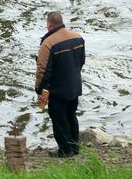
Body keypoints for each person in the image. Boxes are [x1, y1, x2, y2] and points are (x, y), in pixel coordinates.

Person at [35, 11, 85, 158]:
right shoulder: (78, 37)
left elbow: (42, 70)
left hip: (57, 90)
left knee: (59, 119)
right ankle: (75, 147)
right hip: (74, 86)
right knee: (71, 116)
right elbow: (81, 62)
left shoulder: (48, 43)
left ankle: (65, 150)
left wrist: (39, 90)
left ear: (49, 25)